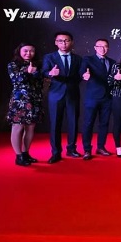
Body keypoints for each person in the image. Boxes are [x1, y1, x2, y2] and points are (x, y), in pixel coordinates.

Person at [42, 31, 82, 164]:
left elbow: (80, 75)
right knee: (55, 124)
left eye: (66, 40)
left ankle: (71, 149)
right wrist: (50, 73)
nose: (64, 43)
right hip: (55, 94)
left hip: (73, 94)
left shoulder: (78, 59)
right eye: (60, 41)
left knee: (73, 122)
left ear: (71, 42)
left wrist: (84, 76)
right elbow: (43, 72)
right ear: (56, 42)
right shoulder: (49, 57)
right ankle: (56, 152)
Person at [7, 42, 44, 166]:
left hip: (34, 99)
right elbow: (15, 80)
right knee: (18, 127)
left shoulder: (38, 65)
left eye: (31, 51)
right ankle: (18, 156)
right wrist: (27, 72)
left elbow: (41, 82)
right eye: (25, 51)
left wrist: (37, 73)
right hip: (20, 100)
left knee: (31, 127)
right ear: (19, 51)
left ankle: (25, 153)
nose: (28, 53)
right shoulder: (13, 64)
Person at [80, 38, 116, 160]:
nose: (102, 48)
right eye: (100, 46)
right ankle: (87, 149)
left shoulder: (112, 62)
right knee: (88, 123)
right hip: (92, 97)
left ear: (108, 48)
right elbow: (82, 71)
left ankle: (101, 147)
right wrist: (85, 75)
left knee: (104, 124)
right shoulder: (88, 59)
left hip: (107, 97)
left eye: (105, 46)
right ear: (95, 48)